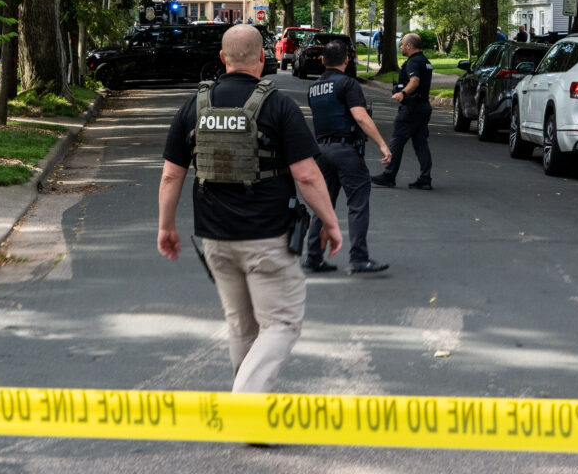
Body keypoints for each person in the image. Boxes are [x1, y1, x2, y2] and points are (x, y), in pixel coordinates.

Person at [158, 24, 343, 394]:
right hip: (267, 238)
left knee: (242, 326)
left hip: (214, 239)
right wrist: (330, 222)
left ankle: (251, 415)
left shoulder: (195, 105)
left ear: (222, 58)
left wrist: (166, 227)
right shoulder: (277, 104)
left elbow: (170, 176)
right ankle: (246, 403)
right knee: (282, 324)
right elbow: (307, 175)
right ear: (263, 57)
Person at [302, 40, 392, 275]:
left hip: (320, 151)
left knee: (323, 205)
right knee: (358, 203)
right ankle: (359, 258)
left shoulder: (314, 88)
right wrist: (382, 144)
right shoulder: (348, 84)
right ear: (346, 60)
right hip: (345, 150)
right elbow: (360, 117)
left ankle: (313, 257)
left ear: (322, 61)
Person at [371, 33, 433, 190]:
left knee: (397, 141)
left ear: (409, 46)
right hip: (424, 107)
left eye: (403, 44)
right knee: (420, 143)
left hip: (411, 108)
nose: (401, 47)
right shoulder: (426, 62)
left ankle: (389, 176)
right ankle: (425, 178)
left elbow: (415, 81)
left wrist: (403, 93)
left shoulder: (413, 62)